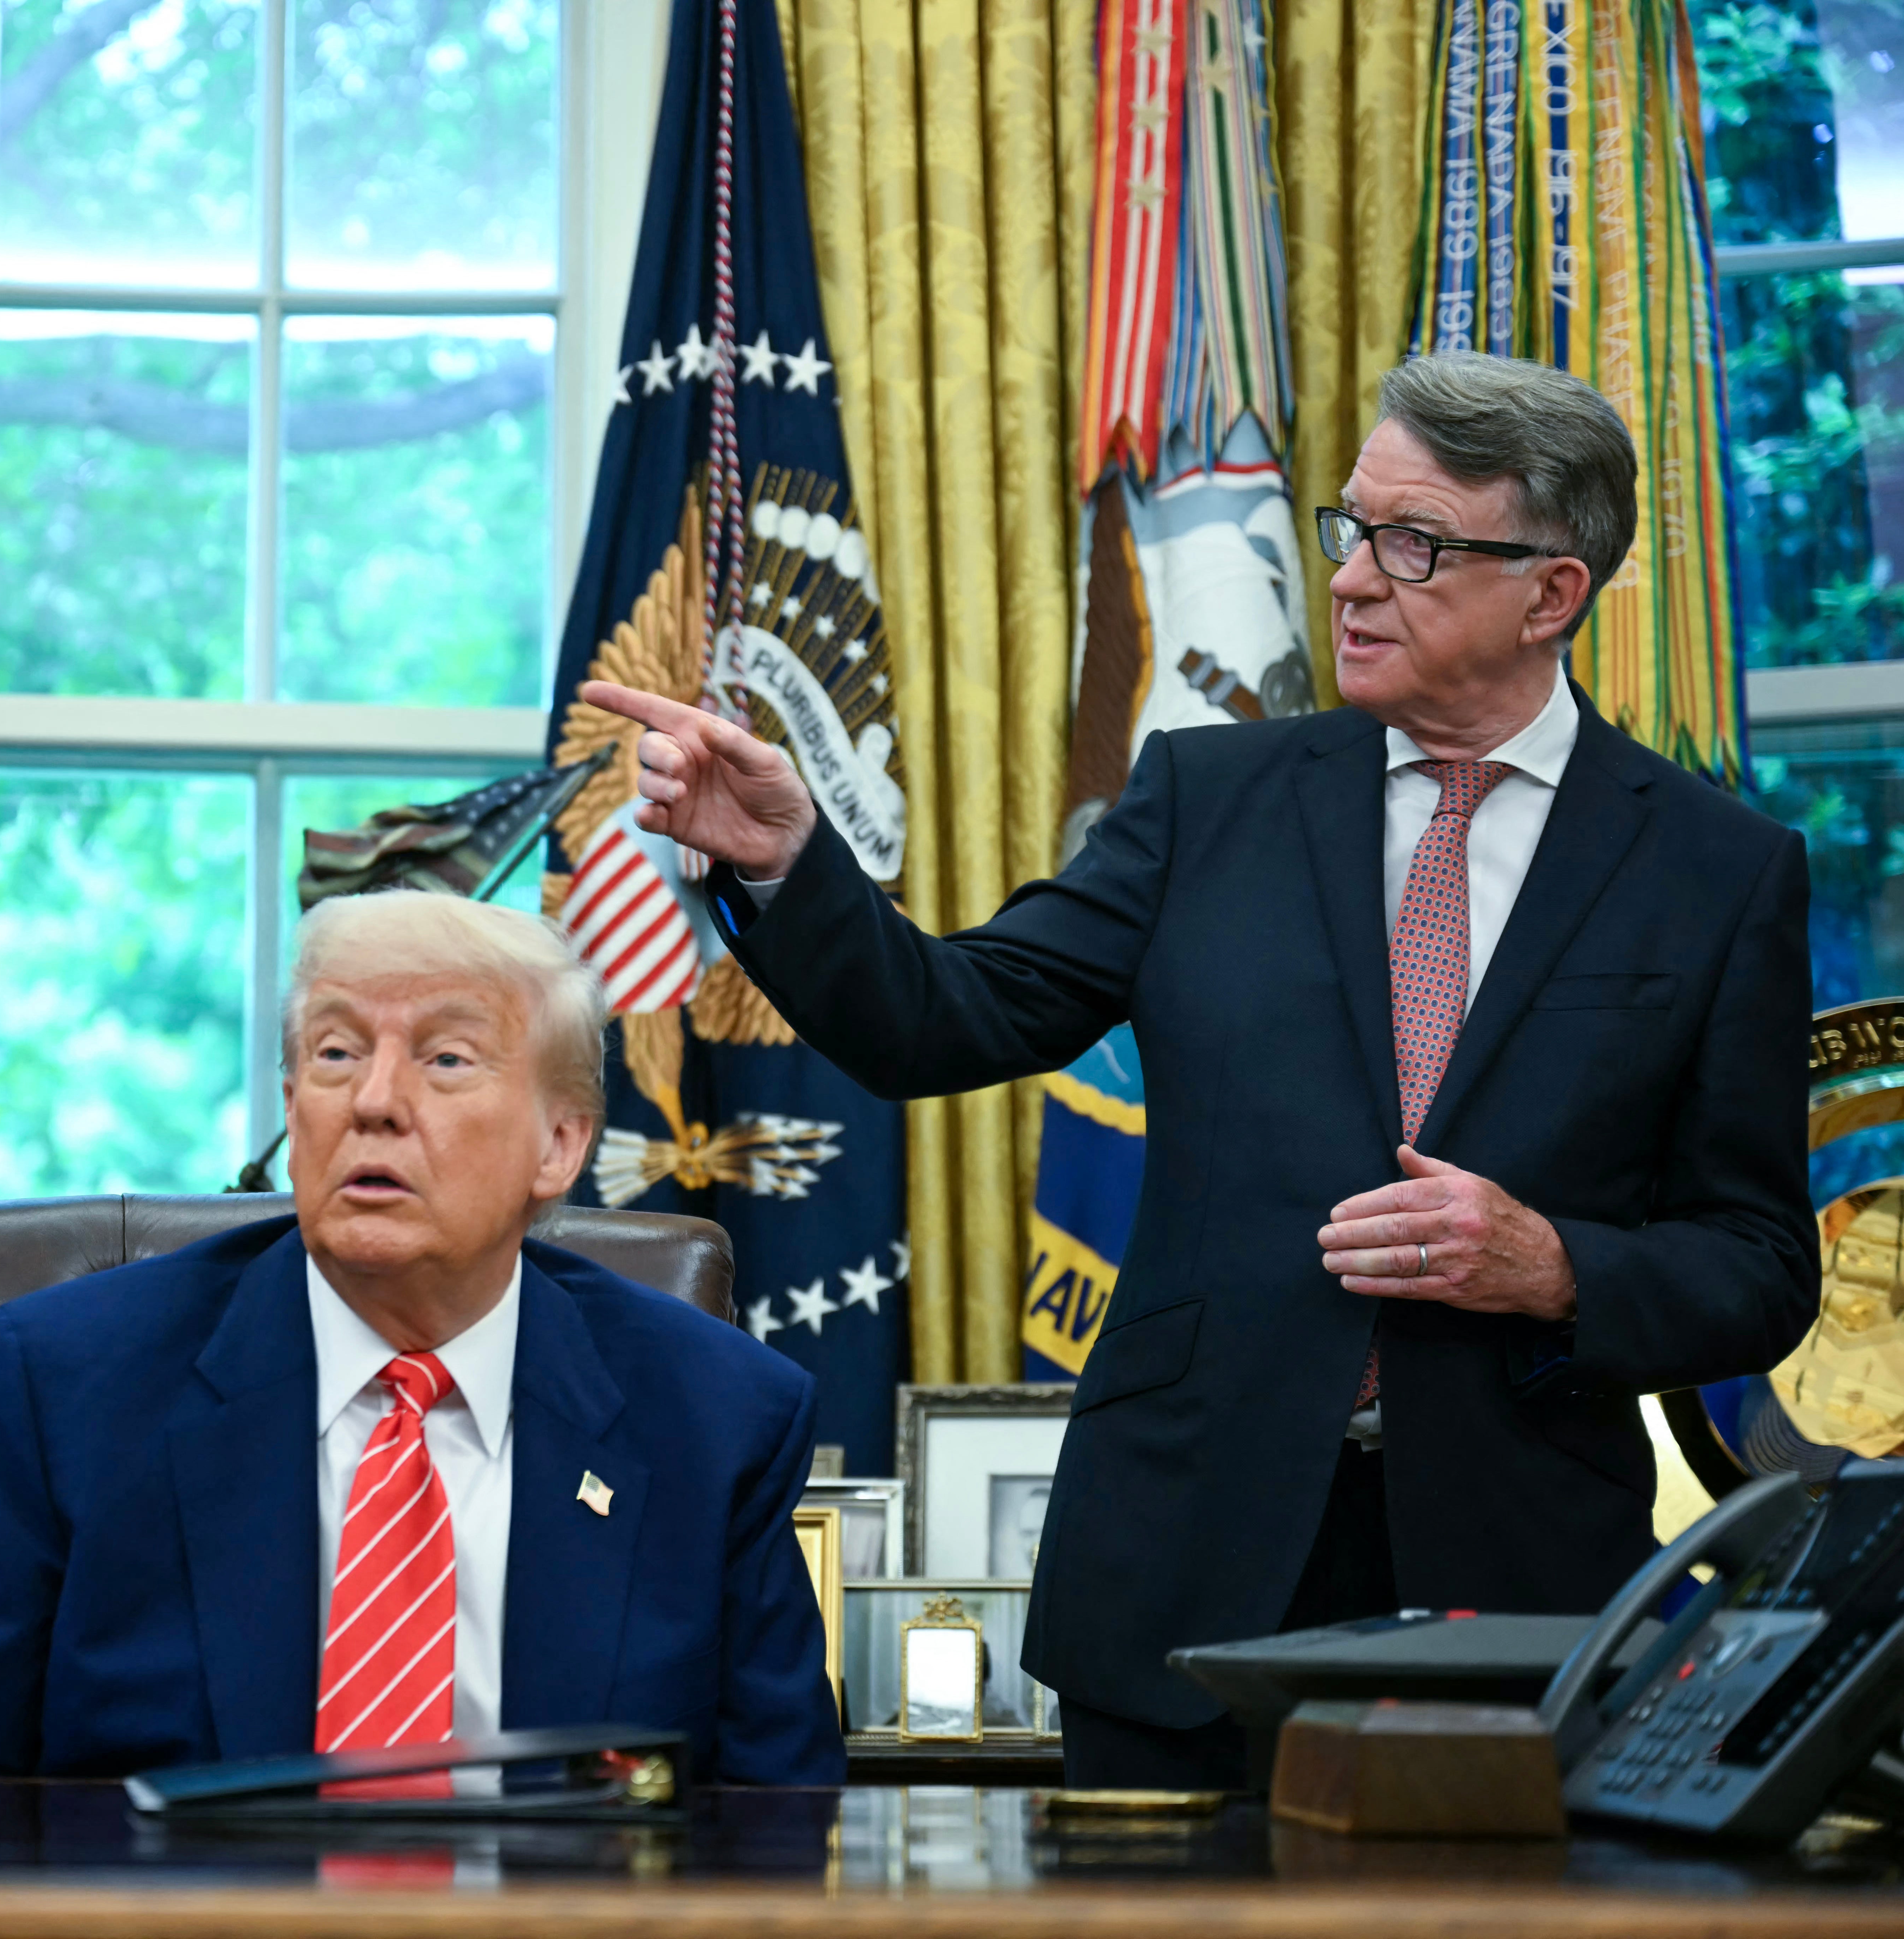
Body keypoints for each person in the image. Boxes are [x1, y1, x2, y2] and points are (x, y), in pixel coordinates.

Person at [587, 350, 1815, 1790]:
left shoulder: (1717, 871)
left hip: (1519, 1593)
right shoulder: (1205, 794)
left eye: (1413, 545)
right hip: (1184, 1573)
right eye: (1350, 527)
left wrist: (1556, 1266)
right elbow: (946, 1017)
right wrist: (794, 858)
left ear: (1551, 592)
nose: (1353, 578)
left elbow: (1757, 1263)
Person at [0, 892, 842, 1784]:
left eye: (446, 1058)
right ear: (293, 1102)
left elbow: (779, 1821)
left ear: (560, 1143)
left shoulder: (714, 1418)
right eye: (337, 1053)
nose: (376, 1101)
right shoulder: (73, 1386)